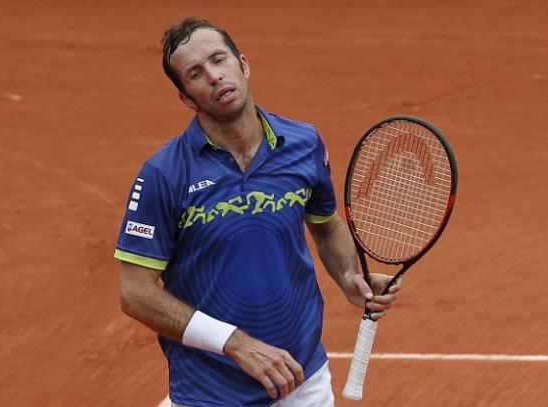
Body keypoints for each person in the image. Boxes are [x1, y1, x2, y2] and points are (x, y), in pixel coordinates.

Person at [114, 17, 401, 407]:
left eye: (220, 60)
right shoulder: (164, 175)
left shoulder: (303, 143)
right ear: (187, 97)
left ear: (243, 65)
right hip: (209, 395)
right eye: (196, 73)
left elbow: (326, 223)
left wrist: (350, 277)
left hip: (303, 382)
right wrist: (234, 343)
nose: (215, 76)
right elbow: (135, 292)